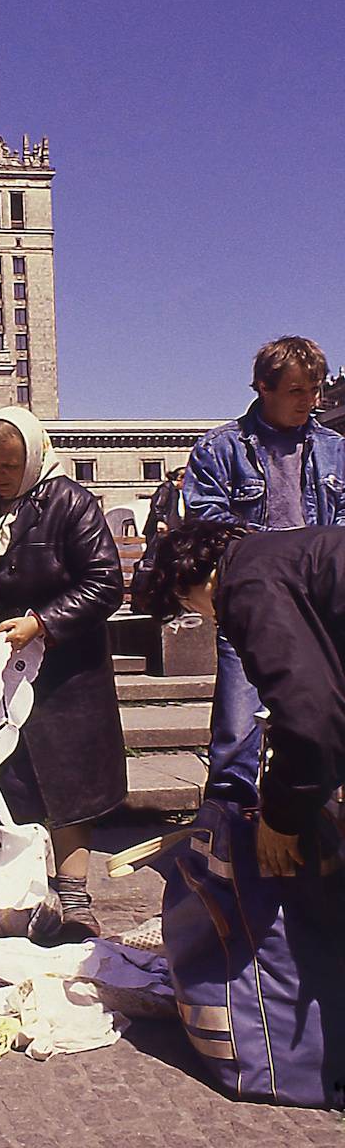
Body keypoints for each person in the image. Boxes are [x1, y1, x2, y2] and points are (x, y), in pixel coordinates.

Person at [0, 407, 126, 937]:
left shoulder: (71, 503)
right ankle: (23, 885)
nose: (0, 475)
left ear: (34, 457)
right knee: (5, 772)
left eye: (10, 465)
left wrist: (42, 622)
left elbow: (104, 582)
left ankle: (73, 892)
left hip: (64, 674)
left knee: (68, 781)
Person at [183, 336, 345, 807]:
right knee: (238, 727)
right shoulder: (221, 447)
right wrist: (272, 560)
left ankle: (317, 817)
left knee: (326, 714)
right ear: (262, 388)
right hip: (250, 603)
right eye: (297, 391)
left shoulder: (336, 449)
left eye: (314, 389)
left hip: (321, 607)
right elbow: (205, 527)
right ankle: (228, 823)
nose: (310, 401)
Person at [139, 517, 345, 879]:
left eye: (189, 608)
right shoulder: (276, 557)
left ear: (186, 588)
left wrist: (281, 816)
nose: (207, 618)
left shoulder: (246, 586)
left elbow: (309, 718)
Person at [142, 467, 186, 543]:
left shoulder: (174, 490)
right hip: (159, 529)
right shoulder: (166, 488)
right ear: (179, 478)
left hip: (168, 528)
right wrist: (160, 521)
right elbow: (158, 506)